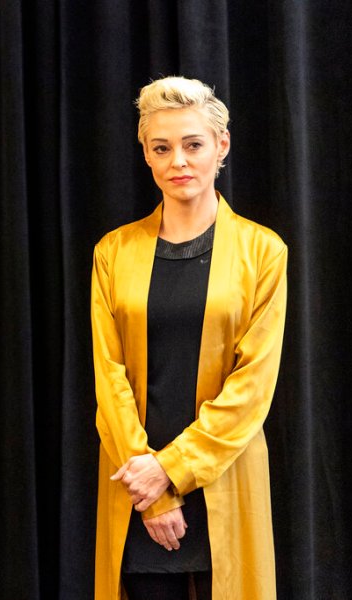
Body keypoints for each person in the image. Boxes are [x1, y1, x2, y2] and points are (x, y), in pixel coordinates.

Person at [91, 76, 287, 599]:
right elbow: (108, 380)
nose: (178, 160)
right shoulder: (113, 252)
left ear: (221, 146)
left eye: (193, 144)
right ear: (146, 155)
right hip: (137, 487)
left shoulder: (263, 252)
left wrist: (171, 470)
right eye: (162, 148)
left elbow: (252, 387)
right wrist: (154, 491)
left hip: (224, 478)